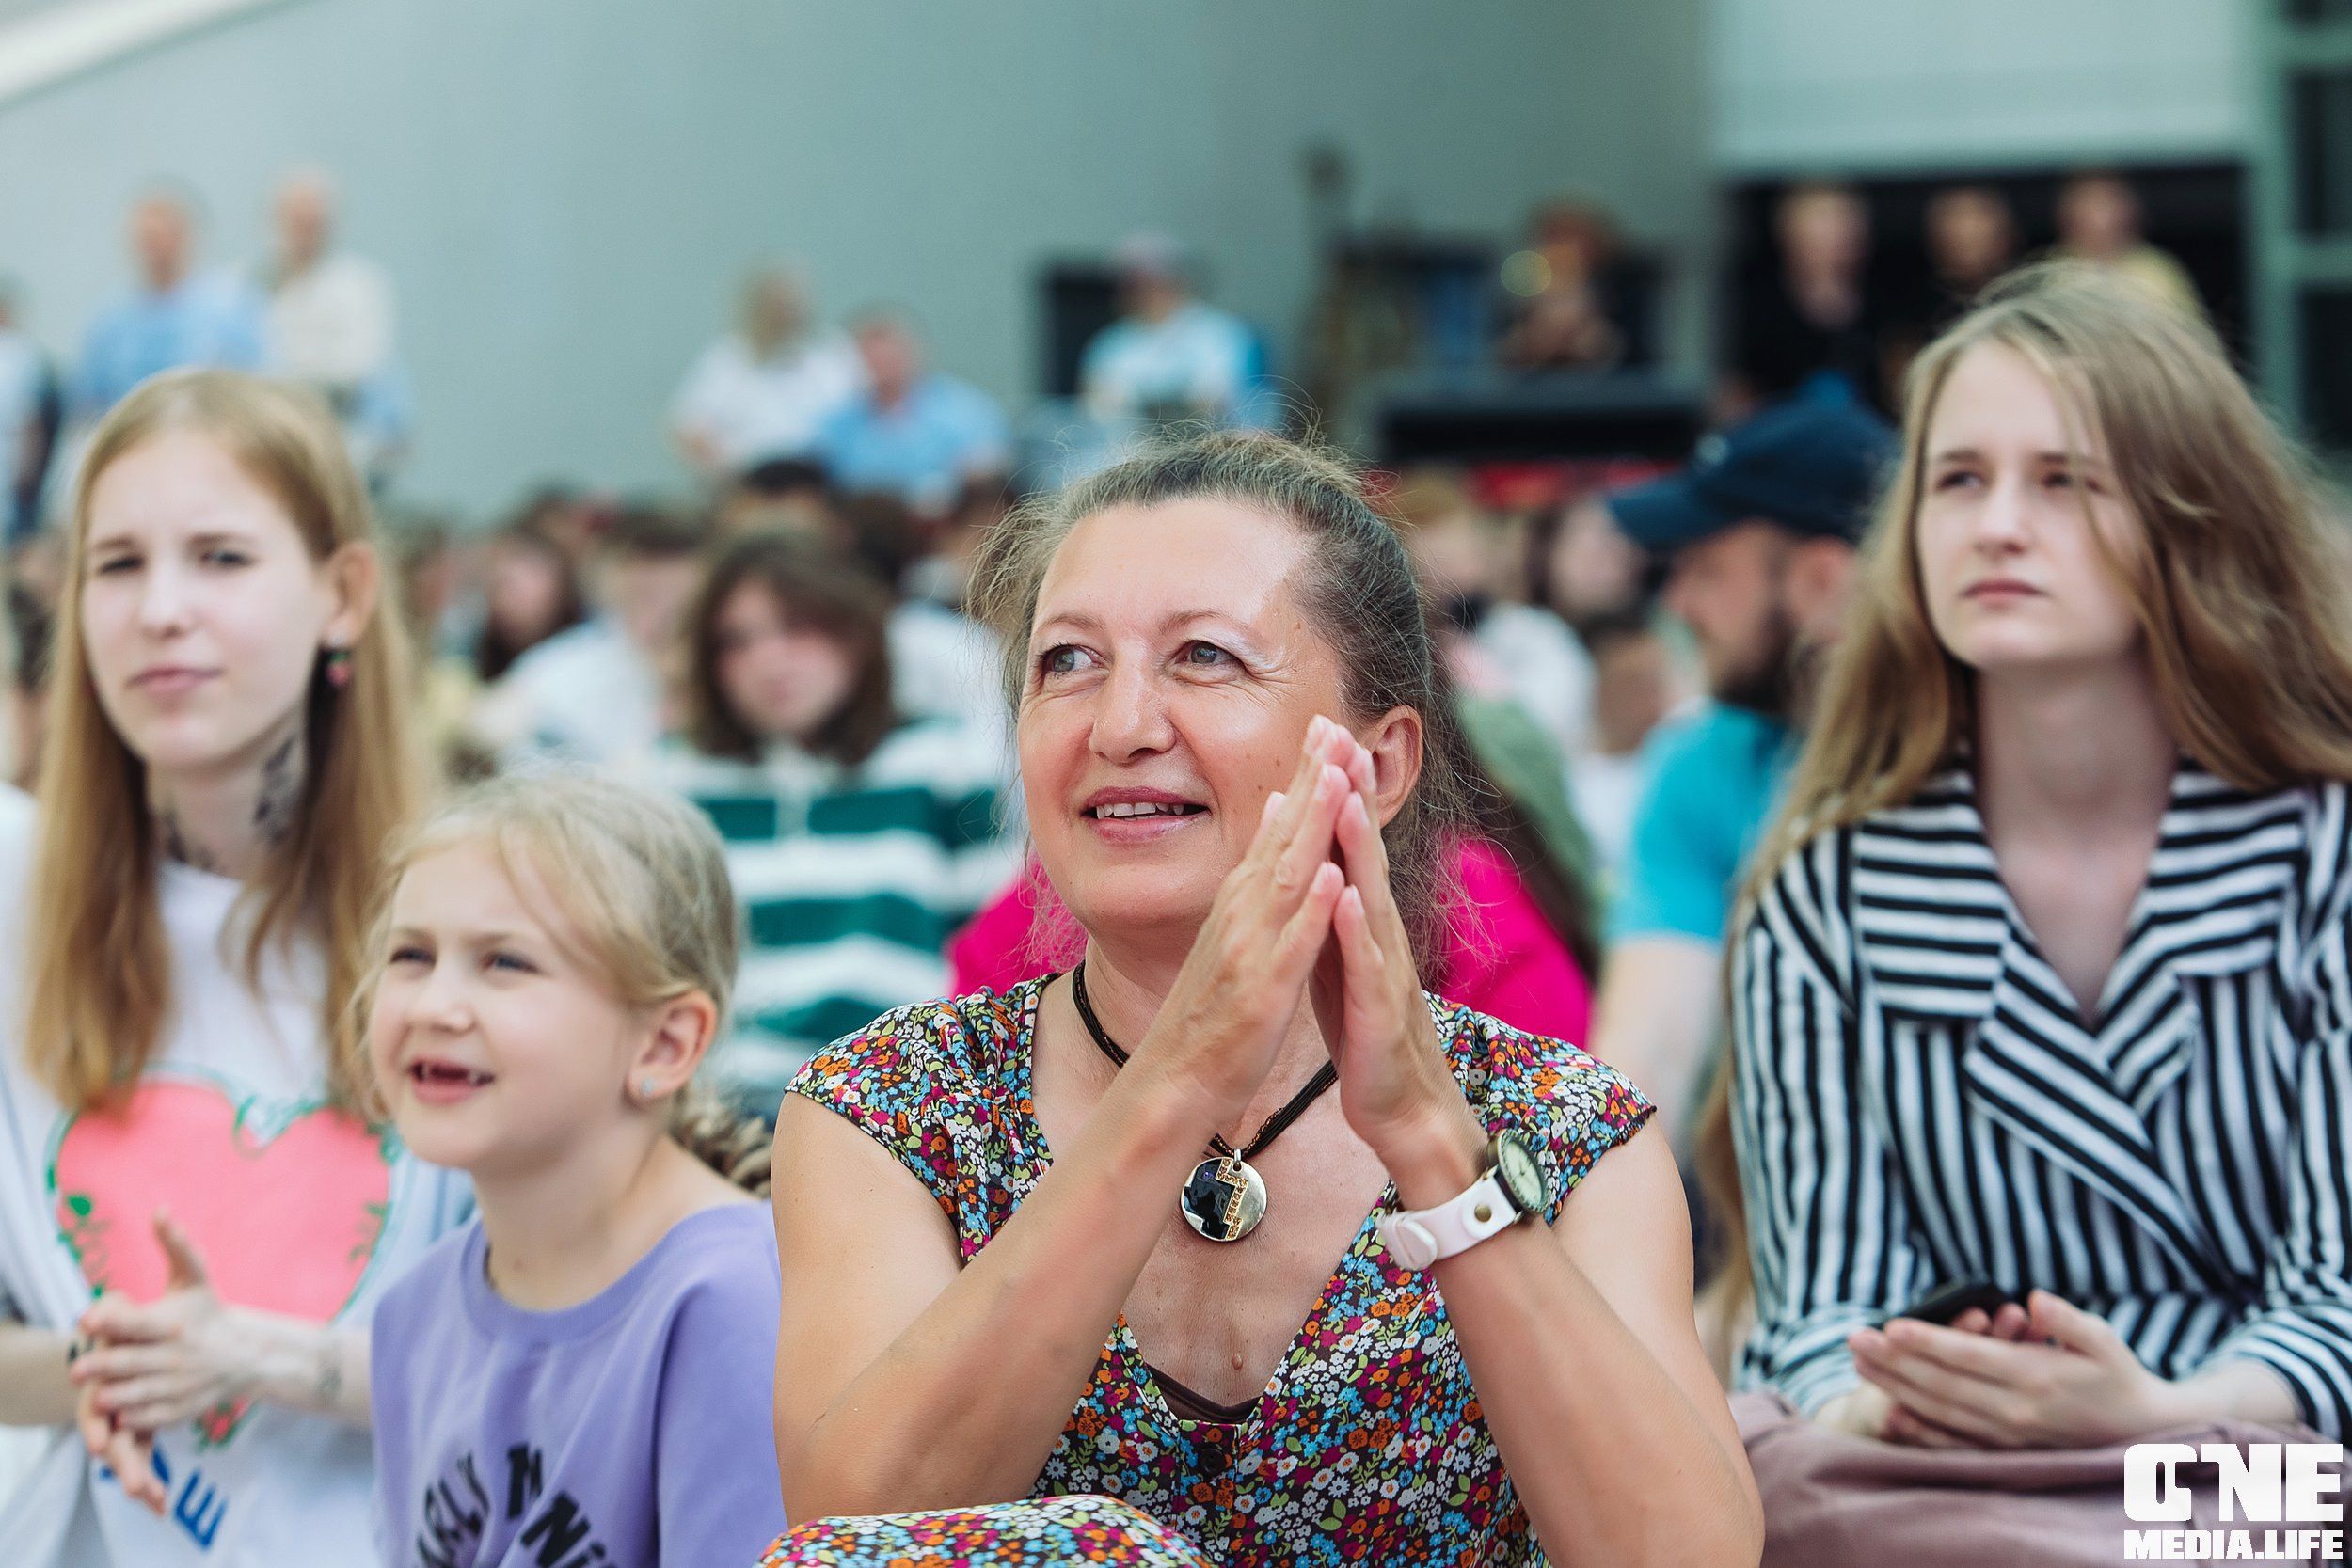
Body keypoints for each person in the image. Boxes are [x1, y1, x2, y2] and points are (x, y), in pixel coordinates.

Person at [773, 433, 1759, 1564]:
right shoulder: (890, 1105)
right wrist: (1182, 1077)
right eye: (1066, 663)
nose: (1121, 724)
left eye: (1203, 656)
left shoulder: (1560, 1124)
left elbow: (1690, 1555)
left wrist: (1434, 1143)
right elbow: (851, 1533)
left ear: (1380, 764)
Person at [1721, 264, 2352, 1564]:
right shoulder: (1821, 896)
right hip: (1935, 1477)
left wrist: (2160, 1416)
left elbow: (2338, 1300)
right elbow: (1821, 1306)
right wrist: (1905, 1397)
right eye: (1958, 479)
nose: (1998, 524)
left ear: (2191, 516)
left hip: (2264, 1469)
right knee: (1741, 1466)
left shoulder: (2328, 851)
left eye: (2064, 480)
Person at [0, 371, 468, 1564]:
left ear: (342, 592)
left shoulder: (475, 911)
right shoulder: (13, 893)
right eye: (117, 564)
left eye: (218, 557)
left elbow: (565, 1342)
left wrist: (260, 1356)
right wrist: (113, 1365)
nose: (161, 609)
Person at [365, 771, 787, 1568]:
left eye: (506, 962)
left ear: (664, 1044)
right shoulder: (409, 1316)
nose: (433, 1005)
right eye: (411, 954)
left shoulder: (735, 1301)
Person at [1587, 399, 1897, 1144]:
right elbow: (1642, 1062)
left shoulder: (1970, 755)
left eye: (1708, 567)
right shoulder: (1701, 760)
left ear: (1824, 581)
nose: (1678, 602)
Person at [645, 532, 1016, 1113]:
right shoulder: (677, 777)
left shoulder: (940, 759)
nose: (767, 660)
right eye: (735, 642)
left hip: (902, 1092)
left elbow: (999, 946)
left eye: (797, 627)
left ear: (854, 633)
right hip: (724, 1096)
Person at [472, 505, 708, 768]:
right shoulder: (559, 672)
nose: (658, 618)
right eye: (642, 597)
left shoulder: (728, 671)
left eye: (676, 603)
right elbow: (489, 729)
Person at [259, 168, 408, 485]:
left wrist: (291, 380)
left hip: (344, 428)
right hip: (271, 429)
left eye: (312, 221)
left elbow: (358, 366)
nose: (302, 230)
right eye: (294, 220)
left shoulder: (361, 284)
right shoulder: (251, 287)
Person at [77, 189, 266, 421]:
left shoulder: (232, 309)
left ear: (187, 236)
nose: (156, 250)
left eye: (164, 236)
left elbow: (260, 393)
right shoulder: (110, 323)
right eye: (147, 239)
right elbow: (86, 410)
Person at [671, 268, 865, 481]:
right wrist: (731, 479)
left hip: (825, 485)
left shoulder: (832, 355)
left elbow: (866, 417)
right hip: (750, 485)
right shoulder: (727, 359)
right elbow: (689, 428)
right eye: (778, 306)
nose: (787, 316)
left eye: (794, 306)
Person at [817, 310, 1010, 517]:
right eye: (871, 358)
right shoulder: (839, 422)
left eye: (890, 356)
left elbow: (991, 476)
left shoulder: (968, 411)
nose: (882, 367)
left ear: (914, 351)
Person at [1079, 235, 1269, 433]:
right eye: (1134, 285)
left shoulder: (1225, 334)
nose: (1146, 293)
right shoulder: (1111, 343)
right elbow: (1098, 407)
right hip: (1131, 450)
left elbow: (1215, 401)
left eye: (1154, 282)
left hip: (1214, 448)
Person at [1728, 182, 1885, 417]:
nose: (1840, 235)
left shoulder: (1883, 304)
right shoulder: (1759, 307)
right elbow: (1739, 394)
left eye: (1847, 222)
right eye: (1824, 223)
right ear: (1790, 233)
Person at [2056, 171, 2200, 318]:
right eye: (2088, 201)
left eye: (2110, 200)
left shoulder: (2157, 271)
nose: (2102, 216)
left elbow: (2184, 333)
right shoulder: (2051, 271)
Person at [471, 514, 587, 686]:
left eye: (511, 585)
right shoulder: (475, 657)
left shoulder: (594, 652)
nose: (501, 601)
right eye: (493, 587)